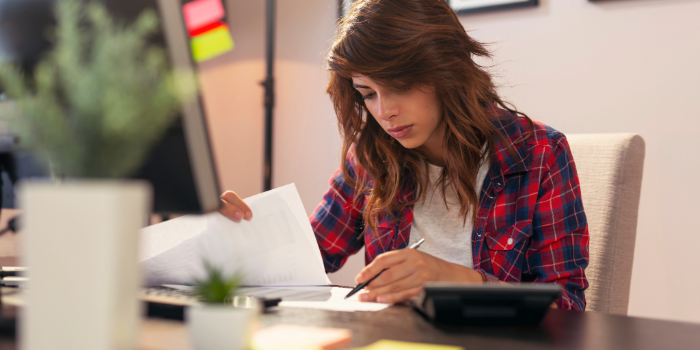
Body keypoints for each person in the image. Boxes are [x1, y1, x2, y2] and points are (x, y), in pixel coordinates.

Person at [220, 0, 589, 311]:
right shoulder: (370, 157)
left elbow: (568, 308)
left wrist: (463, 281)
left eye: (399, 85)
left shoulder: (538, 153)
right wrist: (234, 235)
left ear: (447, 71)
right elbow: (310, 258)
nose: (384, 112)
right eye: (368, 93)